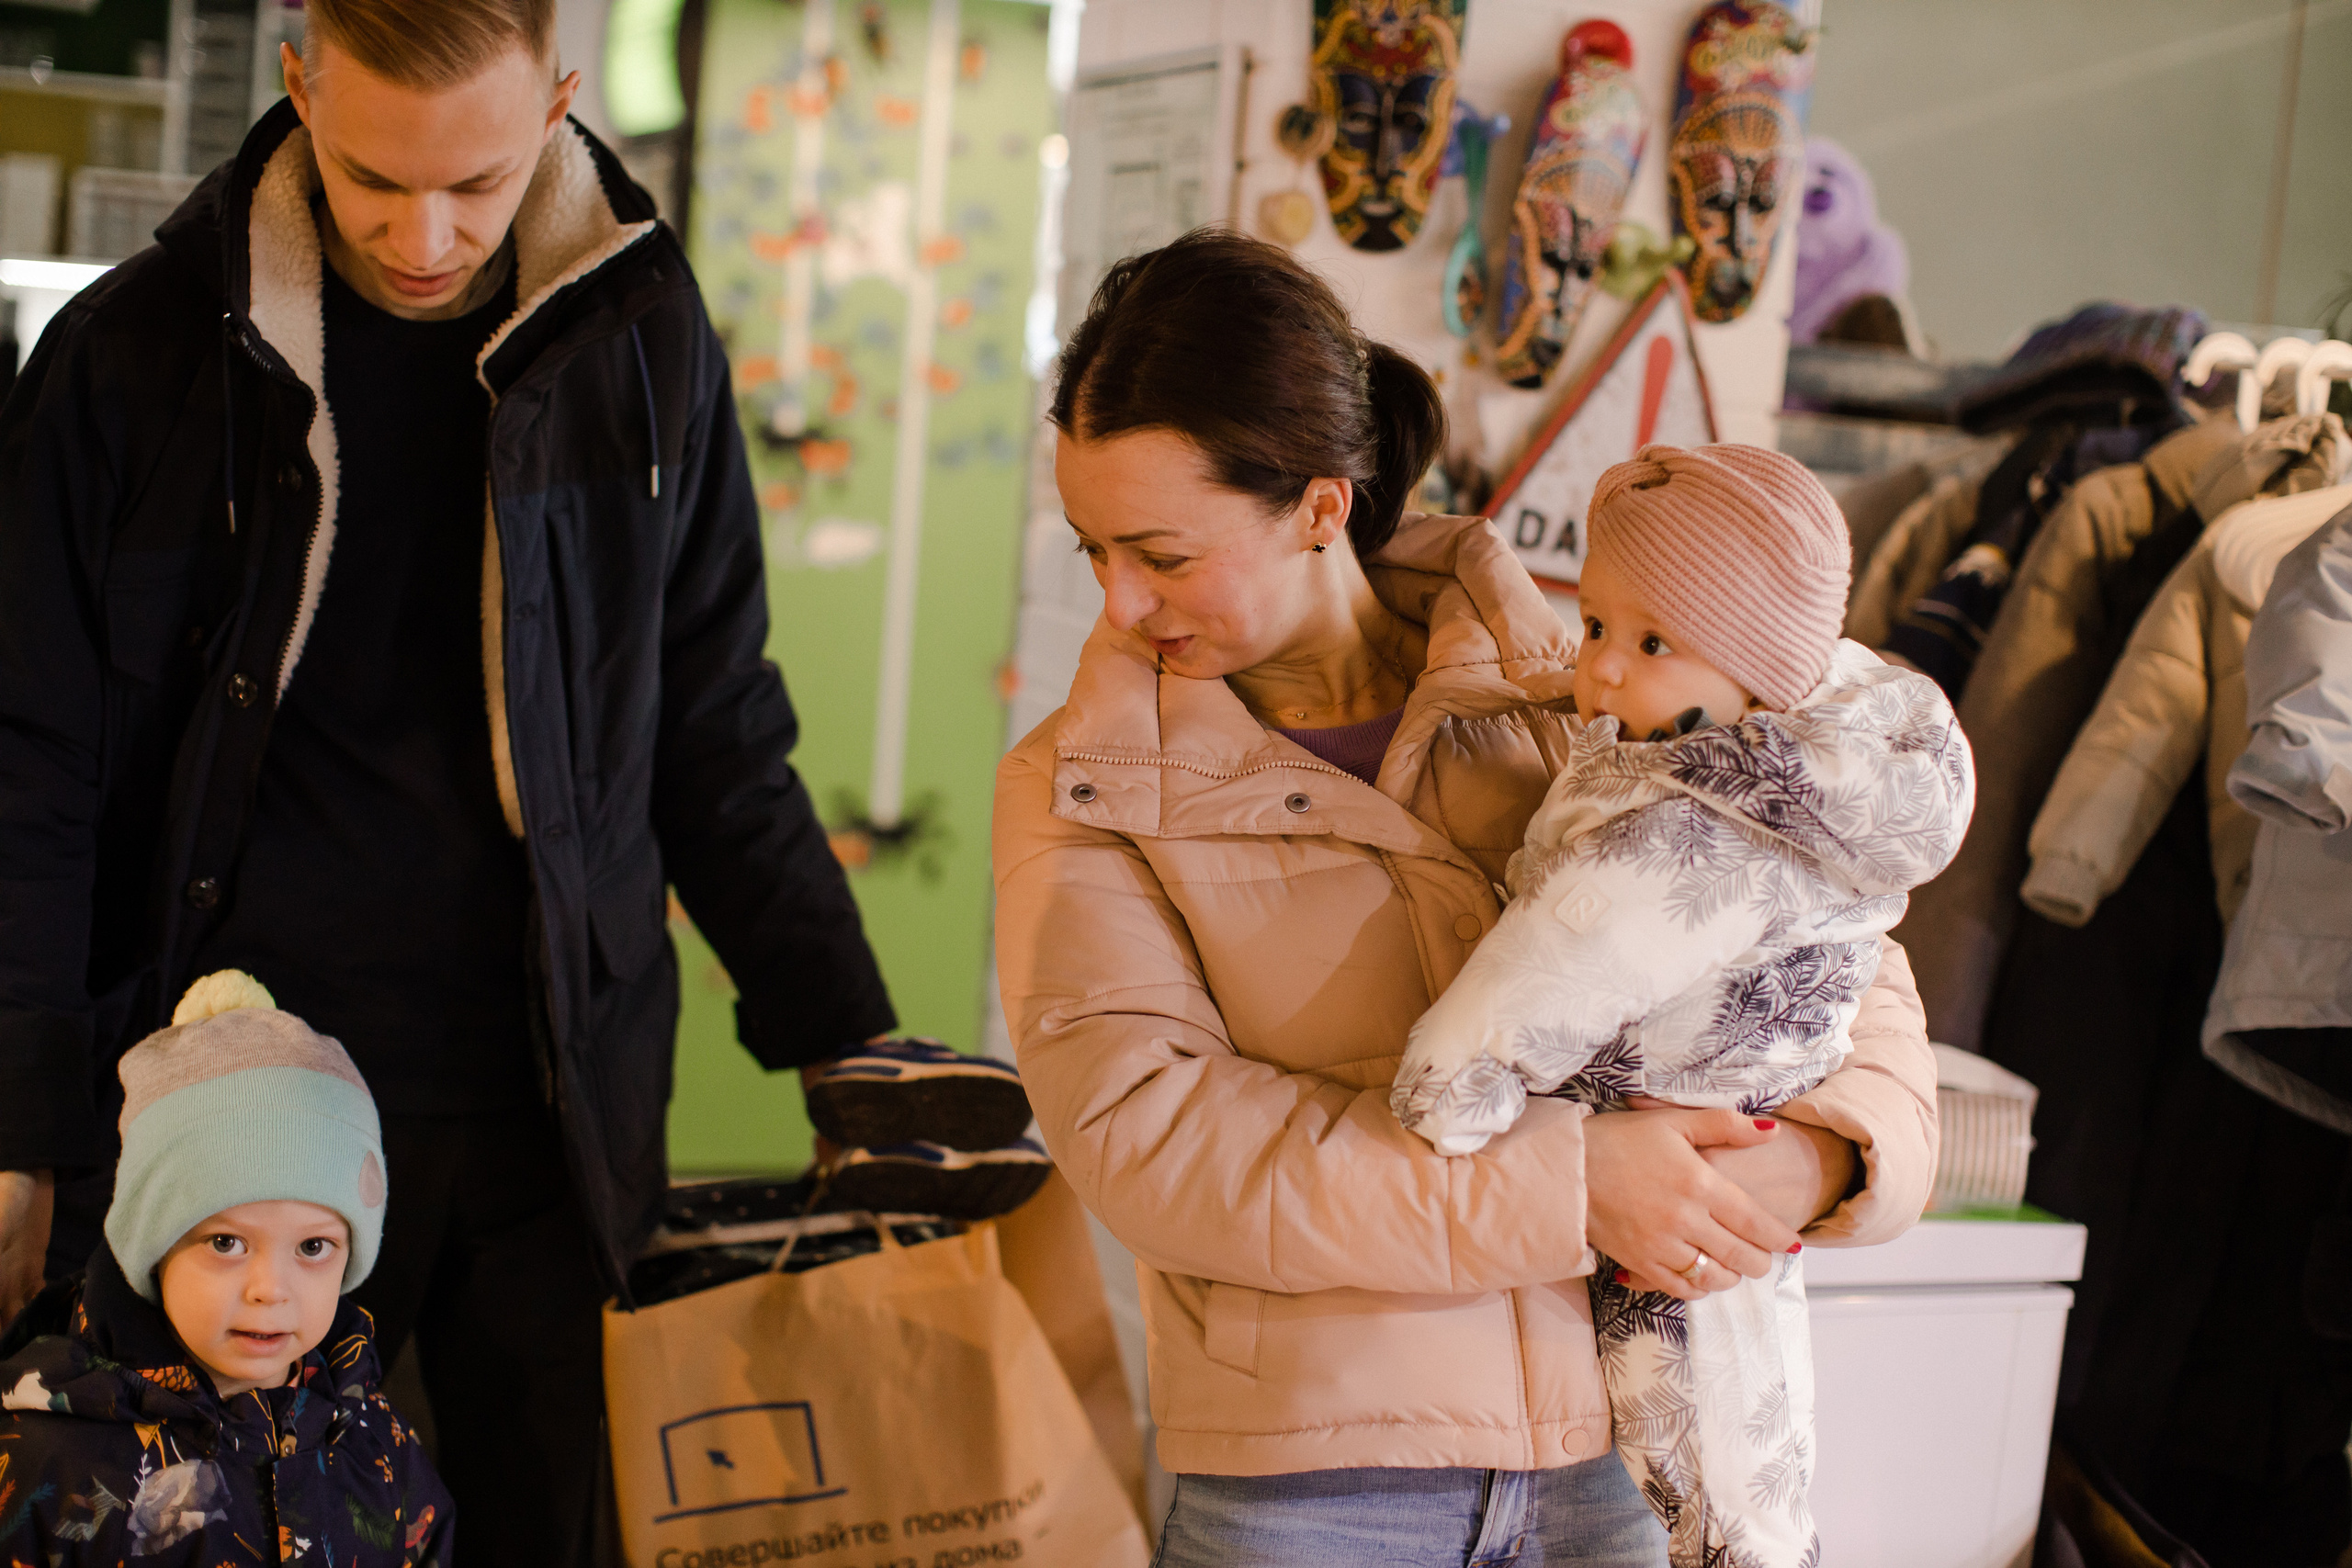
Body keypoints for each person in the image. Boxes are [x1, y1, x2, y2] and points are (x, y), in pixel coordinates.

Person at [0, 0, 896, 1557]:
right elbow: (28, 763)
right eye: (372, 179)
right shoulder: (135, 354)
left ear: (558, 99)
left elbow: (713, 722)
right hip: (217, 1128)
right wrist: (15, 1117)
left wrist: (848, 1042)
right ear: (297, 82)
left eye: (479, 184)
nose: (427, 236)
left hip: (544, 1111)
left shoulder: (641, 336)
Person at [992, 228, 1939, 1566]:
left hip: (1621, 1464)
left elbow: (1851, 967)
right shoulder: (1081, 787)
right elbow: (1160, 1143)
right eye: (1096, 550)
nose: (1123, 599)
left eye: (1163, 552)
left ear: (1322, 506)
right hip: (1316, 1494)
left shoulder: (1582, 694)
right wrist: (1577, 1184)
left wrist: (1822, 1157)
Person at [1392, 444, 1974, 1566]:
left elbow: (1556, 966)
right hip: (1729, 1160)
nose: (1601, 671)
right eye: (1597, 625)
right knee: (1752, 1451)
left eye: (1652, 643)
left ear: (1763, 666)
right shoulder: (1833, 776)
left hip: (1684, 1153)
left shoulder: (1692, 826)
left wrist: (1448, 1097)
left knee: (1707, 1458)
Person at [0, 971, 455, 1566]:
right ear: (151, 1244)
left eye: (313, 1247)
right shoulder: (42, 1458)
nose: (270, 1289)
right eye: (226, 1242)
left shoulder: (371, 1433)